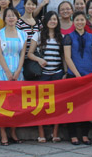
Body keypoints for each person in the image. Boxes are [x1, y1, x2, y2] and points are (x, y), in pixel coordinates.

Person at [27, 11, 65, 143]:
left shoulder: (61, 37)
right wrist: (39, 60)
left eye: (55, 19)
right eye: (50, 19)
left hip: (57, 73)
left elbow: (63, 56)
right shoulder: (38, 35)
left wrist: (65, 72)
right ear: (45, 21)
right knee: (41, 104)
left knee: (57, 103)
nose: (53, 21)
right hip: (43, 74)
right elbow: (30, 53)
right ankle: (41, 132)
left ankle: (55, 133)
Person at [63, 11, 92, 145]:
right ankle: (73, 135)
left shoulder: (91, 37)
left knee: (87, 106)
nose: (80, 22)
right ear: (73, 22)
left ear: (86, 21)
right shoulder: (68, 37)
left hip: (89, 75)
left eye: (82, 20)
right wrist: (77, 75)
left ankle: (85, 134)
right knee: (72, 106)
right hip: (74, 76)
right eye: (77, 20)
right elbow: (67, 57)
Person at [0, 8, 28, 145]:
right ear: (4, 18)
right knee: (2, 103)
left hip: (18, 70)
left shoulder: (23, 34)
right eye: (8, 16)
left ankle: (13, 132)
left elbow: (22, 54)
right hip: (2, 71)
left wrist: (18, 70)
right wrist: (7, 72)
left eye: (13, 16)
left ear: (17, 18)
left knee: (15, 103)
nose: (11, 18)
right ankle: (3, 134)